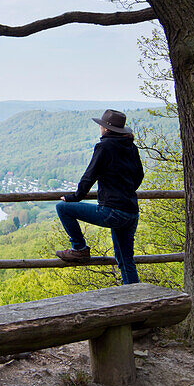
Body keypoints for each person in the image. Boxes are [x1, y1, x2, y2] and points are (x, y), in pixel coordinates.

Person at [55, 109, 144, 284]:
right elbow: (139, 175)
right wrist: (126, 191)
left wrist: (75, 196)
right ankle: (135, 297)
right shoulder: (131, 147)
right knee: (126, 260)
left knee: (63, 208)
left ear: (106, 129)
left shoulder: (104, 146)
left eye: (101, 126)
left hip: (113, 211)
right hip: (131, 212)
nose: (100, 128)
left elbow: (90, 175)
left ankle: (79, 248)